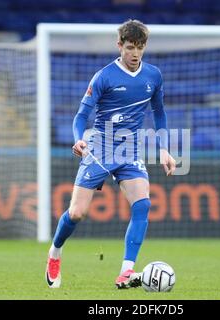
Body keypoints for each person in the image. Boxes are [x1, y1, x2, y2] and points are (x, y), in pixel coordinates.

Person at [45, 19, 176, 289]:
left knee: (143, 205)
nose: (135, 53)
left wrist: (164, 149)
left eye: (140, 47)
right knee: (77, 212)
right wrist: (79, 139)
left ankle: (126, 271)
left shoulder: (153, 75)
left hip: (130, 150)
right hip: (100, 149)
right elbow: (81, 116)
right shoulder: (104, 76)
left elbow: (159, 113)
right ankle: (55, 252)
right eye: (130, 47)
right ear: (119, 46)